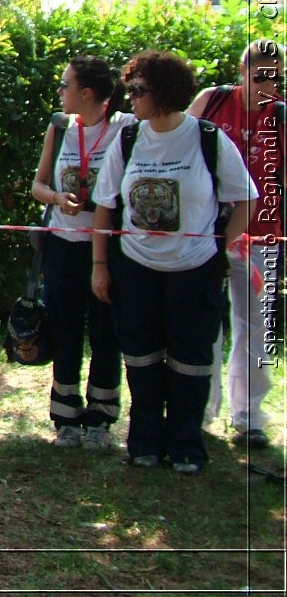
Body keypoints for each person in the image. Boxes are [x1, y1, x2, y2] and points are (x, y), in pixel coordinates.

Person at [91, 51, 256, 473]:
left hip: (195, 270)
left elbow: (244, 200)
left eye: (139, 91)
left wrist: (221, 247)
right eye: (131, 90)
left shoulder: (208, 139)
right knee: (141, 355)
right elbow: (105, 207)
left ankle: (186, 445)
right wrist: (100, 265)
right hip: (136, 267)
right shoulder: (127, 141)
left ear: (165, 92)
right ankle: (144, 442)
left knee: (191, 358)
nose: (132, 99)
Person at [30, 56, 131, 449]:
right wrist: (57, 197)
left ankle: (100, 420)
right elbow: (37, 186)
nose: (59, 91)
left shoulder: (125, 129)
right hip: (63, 246)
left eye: (64, 84)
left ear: (86, 93)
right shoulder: (59, 128)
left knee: (107, 332)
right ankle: (66, 417)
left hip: (108, 249)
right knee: (65, 328)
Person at [189, 39, 284, 449]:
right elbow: (179, 146)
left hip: (263, 235)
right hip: (208, 232)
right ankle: (201, 411)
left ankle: (249, 416)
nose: (267, 86)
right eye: (259, 76)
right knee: (203, 322)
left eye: (274, 78)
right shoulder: (211, 102)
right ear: (241, 72)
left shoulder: (280, 117)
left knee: (258, 326)